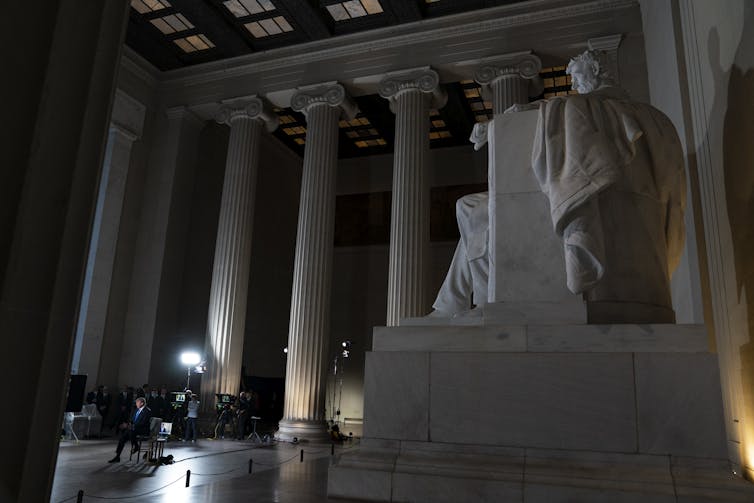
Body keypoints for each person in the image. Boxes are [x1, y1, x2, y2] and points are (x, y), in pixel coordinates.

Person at [430, 49, 685, 319]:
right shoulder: (650, 118)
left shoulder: (599, 109)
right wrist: (501, 123)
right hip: (576, 197)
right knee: (468, 206)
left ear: (595, 71)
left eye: (576, 76)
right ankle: (457, 302)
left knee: (475, 212)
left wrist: (516, 115)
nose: (574, 85)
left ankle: (472, 305)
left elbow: (572, 109)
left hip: (578, 201)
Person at [108, 396, 151, 463]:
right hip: (133, 429)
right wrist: (127, 424)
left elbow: (143, 423)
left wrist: (129, 426)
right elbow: (132, 420)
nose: (136, 403)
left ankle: (136, 446)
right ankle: (117, 456)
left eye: (137, 402)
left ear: (142, 403)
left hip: (143, 429)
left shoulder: (147, 411)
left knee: (131, 431)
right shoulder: (136, 410)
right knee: (122, 438)